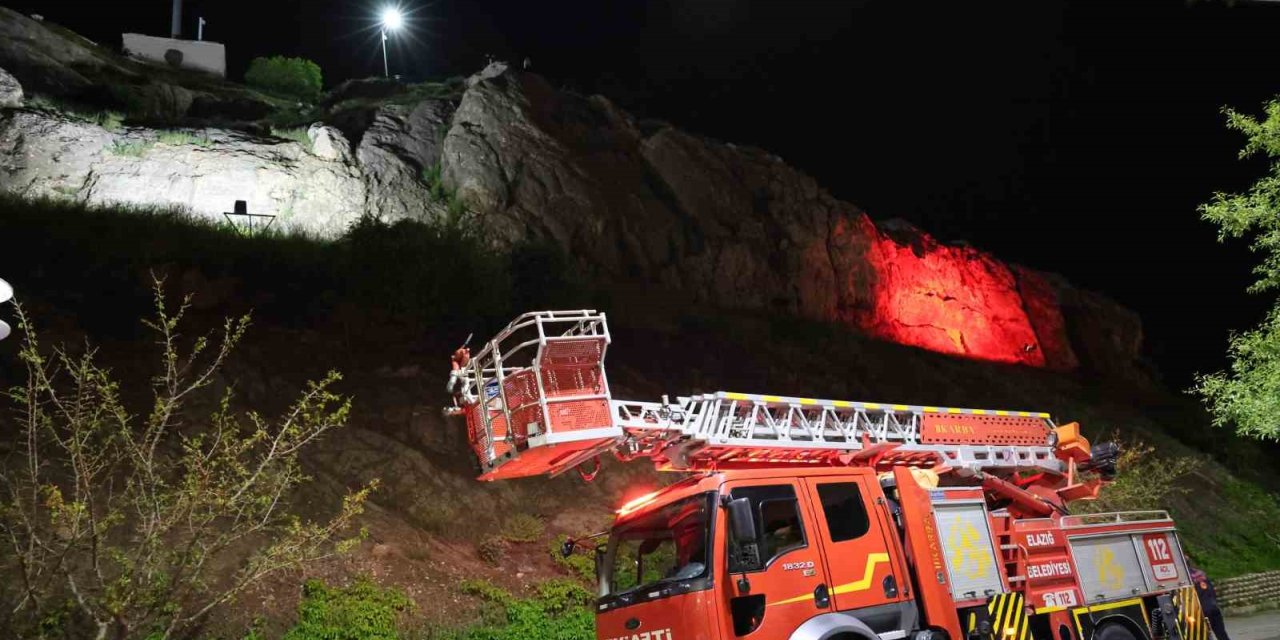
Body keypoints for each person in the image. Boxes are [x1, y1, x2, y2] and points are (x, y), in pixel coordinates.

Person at [1190, 564, 1231, 640]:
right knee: (1221, 633)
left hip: (1202, 611)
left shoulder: (1187, 579)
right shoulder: (1201, 573)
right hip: (1213, 606)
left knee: (1204, 636)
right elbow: (1212, 591)